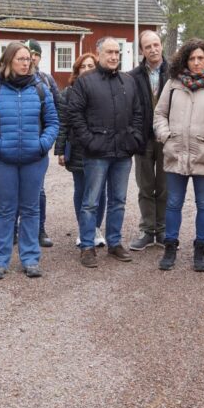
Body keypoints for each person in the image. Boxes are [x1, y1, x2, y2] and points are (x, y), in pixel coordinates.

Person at [0, 42, 58, 279]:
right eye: (20, 59)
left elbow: (52, 122)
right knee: (5, 209)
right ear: (9, 60)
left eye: (28, 59)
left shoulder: (41, 89)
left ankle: (30, 259)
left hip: (34, 159)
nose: (25, 63)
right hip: (2, 161)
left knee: (31, 209)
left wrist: (42, 145)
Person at [152, 38, 204, 271]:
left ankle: (201, 251)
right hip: (176, 151)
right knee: (173, 203)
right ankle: (170, 248)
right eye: (192, 58)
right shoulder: (173, 83)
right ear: (185, 60)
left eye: (201, 58)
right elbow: (159, 114)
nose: (196, 62)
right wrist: (165, 135)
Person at [65, 36, 145, 268]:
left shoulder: (127, 81)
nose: (113, 57)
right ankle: (87, 246)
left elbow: (138, 113)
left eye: (116, 53)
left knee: (118, 200)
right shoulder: (85, 82)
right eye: (109, 52)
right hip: (96, 153)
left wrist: (134, 139)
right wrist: (90, 142)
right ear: (98, 54)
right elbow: (75, 115)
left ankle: (114, 243)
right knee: (90, 202)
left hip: (122, 153)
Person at [55, 52, 107, 247]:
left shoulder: (104, 89)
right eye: (83, 66)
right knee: (81, 189)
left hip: (100, 148)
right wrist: (60, 150)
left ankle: (95, 228)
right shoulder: (67, 94)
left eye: (90, 66)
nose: (87, 69)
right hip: (76, 149)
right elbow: (63, 123)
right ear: (77, 71)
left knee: (100, 190)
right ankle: (84, 228)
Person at [128, 29, 169, 250]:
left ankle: (162, 230)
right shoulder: (132, 76)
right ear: (142, 51)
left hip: (167, 139)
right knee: (145, 186)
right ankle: (147, 230)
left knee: (164, 187)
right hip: (143, 140)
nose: (153, 49)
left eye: (156, 44)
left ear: (161, 45)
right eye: (148, 46)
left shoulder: (174, 73)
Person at [22, 38, 59, 248]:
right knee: (15, 190)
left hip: (38, 142)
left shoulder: (46, 80)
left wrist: (47, 138)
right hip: (16, 142)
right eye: (27, 54)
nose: (31, 58)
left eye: (34, 54)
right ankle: (16, 229)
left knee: (39, 189)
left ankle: (39, 229)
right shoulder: (6, 80)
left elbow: (57, 108)